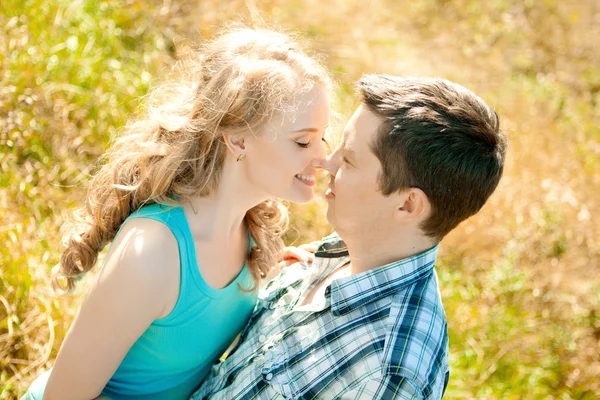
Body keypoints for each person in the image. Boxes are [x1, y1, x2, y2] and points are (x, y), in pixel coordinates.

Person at [23, 27, 332, 400]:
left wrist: (272, 276)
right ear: (237, 140)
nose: (323, 158)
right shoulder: (151, 254)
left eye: (323, 137)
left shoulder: (248, 230)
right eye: (302, 141)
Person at [190, 75, 508, 400]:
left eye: (350, 160)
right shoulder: (344, 251)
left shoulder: (391, 375)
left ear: (407, 204)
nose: (326, 162)